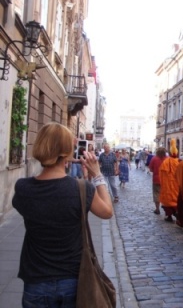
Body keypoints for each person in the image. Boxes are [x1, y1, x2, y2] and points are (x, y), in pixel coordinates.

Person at [12, 122, 113, 307]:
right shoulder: (81, 188)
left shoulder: (23, 188)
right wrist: (97, 175)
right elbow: (107, 211)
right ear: (67, 152)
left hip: (36, 280)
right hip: (74, 279)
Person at [159, 139, 180, 222]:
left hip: (168, 186)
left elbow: (162, 175)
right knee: (175, 200)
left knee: (168, 201)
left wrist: (163, 183)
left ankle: (169, 216)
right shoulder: (179, 162)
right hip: (176, 185)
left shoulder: (166, 162)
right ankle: (176, 214)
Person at [149, 147, 167, 215]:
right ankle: (167, 211)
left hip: (156, 179)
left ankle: (157, 209)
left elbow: (150, 169)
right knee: (165, 195)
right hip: (165, 180)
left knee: (156, 194)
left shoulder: (154, 159)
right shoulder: (167, 159)